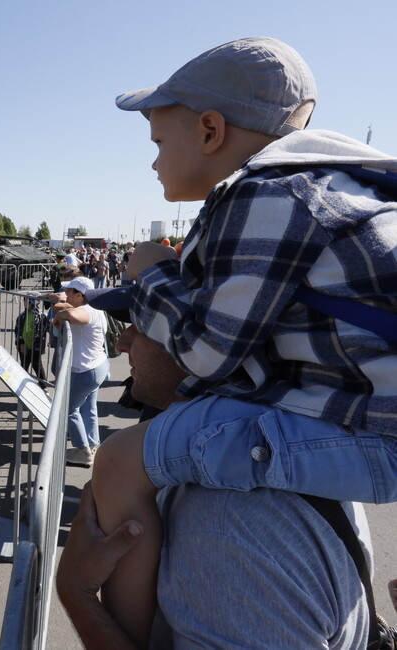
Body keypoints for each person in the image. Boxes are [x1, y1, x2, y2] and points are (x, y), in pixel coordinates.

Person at [89, 36, 397, 644]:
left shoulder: (270, 194)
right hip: (364, 424)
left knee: (120, 461)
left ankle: (129, 630)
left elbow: (204, 351)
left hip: (371, 440)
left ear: (210, 130)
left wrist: (148, 272)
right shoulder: (335, 186)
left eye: (157, 142)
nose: (152, 161)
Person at [57, 314, 373, 649]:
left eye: (145, 326)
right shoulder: (277, 455)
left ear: (214, 347)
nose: (122, 342)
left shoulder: (227, 525)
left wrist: (77, 596)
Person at [49, 276, 109, 467]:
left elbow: (73, 316)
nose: (66, 293)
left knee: (68, 410)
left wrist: (59, 315)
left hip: (85, 370)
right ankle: (92, 446)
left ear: (79, 294)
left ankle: (83, 451)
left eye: (69, 291)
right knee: (88, 408)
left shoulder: (86, 311)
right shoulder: (96, 308)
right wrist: (60, 304)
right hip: (96, 366)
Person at [13, 297, 47, 385]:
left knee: (37, 365)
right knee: (24, 366)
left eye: (27, 300)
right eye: (24, 300)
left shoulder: (41, 316)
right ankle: (22, 385)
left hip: (36, 347)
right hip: (24, 346)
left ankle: (43, 385)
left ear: (34, 302)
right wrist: (21, 343)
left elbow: (47, 329)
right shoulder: (22, 316)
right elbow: (18, 330)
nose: (24, 302)